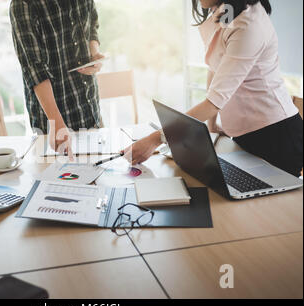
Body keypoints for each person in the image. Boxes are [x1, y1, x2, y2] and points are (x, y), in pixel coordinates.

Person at [126, 0, 303, 177]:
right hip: (245, 133)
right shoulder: (227, 10)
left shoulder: (248, 25)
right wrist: (211, 125)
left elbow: (213, 102)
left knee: (262, 203)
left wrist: (155, 139)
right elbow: (215, 66)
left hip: (276, 136)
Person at [10, 0, 104, 156]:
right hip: (51, 124)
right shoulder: (22, 4)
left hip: (90, 110)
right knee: (54, 178)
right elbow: (34, 68)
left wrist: (94, 54)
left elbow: (92, 22)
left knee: (97, 174)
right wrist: (56, 122)